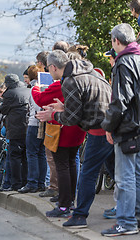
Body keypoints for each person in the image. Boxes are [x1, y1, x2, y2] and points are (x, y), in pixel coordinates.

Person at [36, 50, 113, 228]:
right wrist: (64, 107)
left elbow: (71, 119)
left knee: (87, 174)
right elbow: (86, 103)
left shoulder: (70, 80)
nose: (49, 71)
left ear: (54, 67)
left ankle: (79, 216)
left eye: (48, 68)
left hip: (98, 131)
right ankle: (132, 212)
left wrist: (53, 115)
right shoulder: (91, 73)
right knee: (119, 174)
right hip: (111, 127)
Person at [31, 57, 86, 217]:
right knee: (71, 164)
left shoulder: (61, 83)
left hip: (64, 128)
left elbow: (40, 99)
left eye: (48, 68)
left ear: (54, 67)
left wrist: (35, 88)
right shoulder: (79, 80)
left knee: (62, 165)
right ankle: (71, 200)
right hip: (79, 128)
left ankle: (63, 205)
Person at [101, 23, 140, 237]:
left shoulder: (123, 63)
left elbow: (120, 101)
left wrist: (108, 126)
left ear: (116, 41)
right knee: (136, 175)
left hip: (127, 128)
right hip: (139, 127)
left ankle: (126, 222)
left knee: (125, 178)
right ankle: (135, 217)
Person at [18, 65, 47, 194]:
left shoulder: (34, 89)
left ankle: (32, 182)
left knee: (32, 153)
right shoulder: (45, 86)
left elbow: (36, 106)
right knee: (41, 153)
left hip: (34, 123)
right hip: (45, 124)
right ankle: (41, 182)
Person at [0, 74, 30, 191]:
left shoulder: (9, 94)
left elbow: (3, 110)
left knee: (15, 157)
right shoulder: (27, 90)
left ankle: (15, 184)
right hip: (28, 128)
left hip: (15, 129)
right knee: (26, 157)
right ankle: (26, 182)